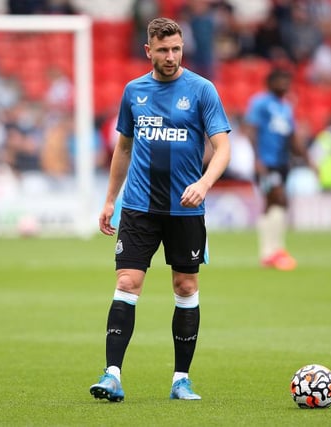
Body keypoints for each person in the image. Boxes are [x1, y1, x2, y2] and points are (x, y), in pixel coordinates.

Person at [89, 17, 231, 402]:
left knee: (185, 286)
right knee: (126, 284)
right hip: (138, 207)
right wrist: (109, 199)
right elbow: (123, 147)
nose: (171, 57)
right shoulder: (134, 91)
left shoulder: (201, 90)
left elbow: (223, 148)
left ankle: (180, 379)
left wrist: (203, 184)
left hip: (185, 212)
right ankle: (112, 375)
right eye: (163, 50)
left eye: (177, 49)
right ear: (148, 50)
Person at [244, 68, 300, 271]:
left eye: (287, 79)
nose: (284, 84)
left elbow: (292, 136)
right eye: (280, 79)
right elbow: (251, 131)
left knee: (274, 204)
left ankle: (273, 251)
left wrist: (308, 160)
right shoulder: (260, 103)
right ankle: (271, 251)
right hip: (266, 163)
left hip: (282, 162)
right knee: (278, 197)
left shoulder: (286, 107)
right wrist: (257, 159)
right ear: (269, 83)